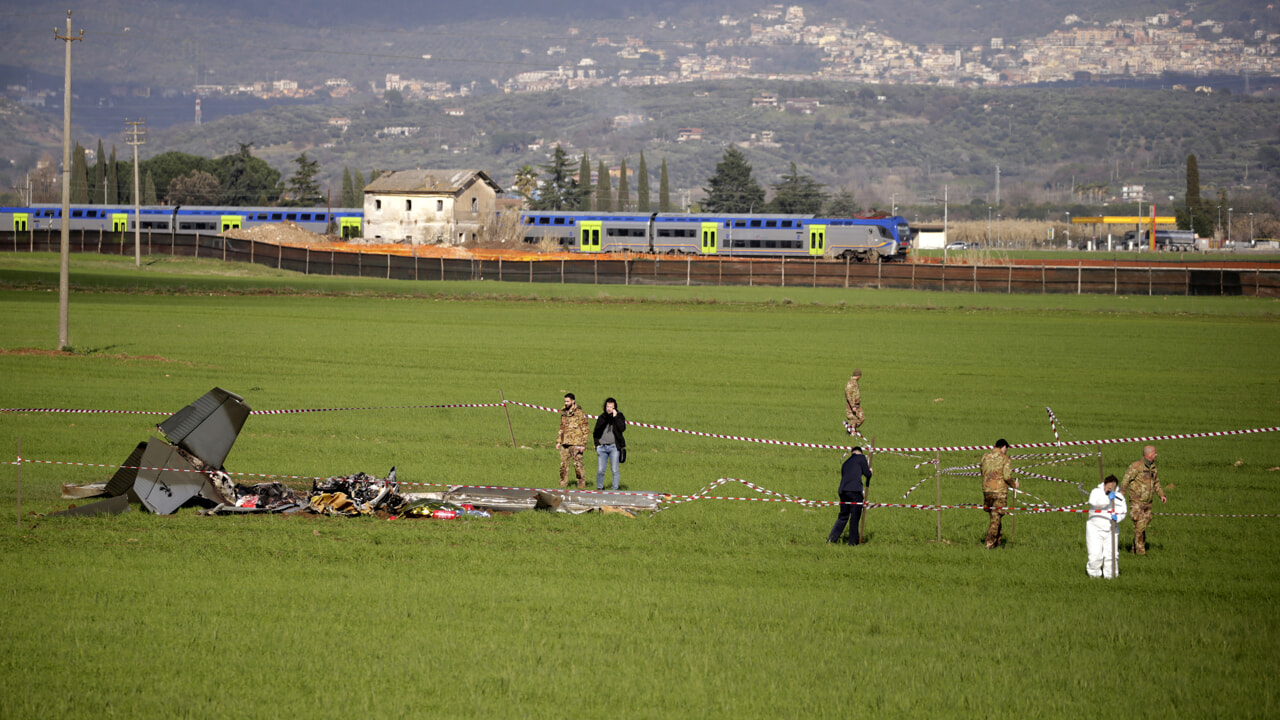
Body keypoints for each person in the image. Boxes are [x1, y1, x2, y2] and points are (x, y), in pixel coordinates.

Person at [1121, 445, 1166, 555]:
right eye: (1155, 453)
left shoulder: (1153, 467)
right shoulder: (1136, 466)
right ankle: (1141, 552)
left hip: (1148, 502)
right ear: (1150, 454)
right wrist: (1121, 495)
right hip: (1137, 501)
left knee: (1142, 526)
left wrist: (1161, 495)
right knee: (1140, 525)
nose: (1157, 455)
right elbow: (1125, 480)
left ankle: (1134, 549)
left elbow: (1156, 482)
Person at [979, 439, 1019, 549]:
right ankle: (989, 544)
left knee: (995, 517)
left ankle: (998, 542)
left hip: (987, 491)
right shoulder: (1005, 459)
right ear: (1004, 447)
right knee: (996, 518)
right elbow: (1006, 476)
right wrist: (1014, 484)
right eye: (1007, 449)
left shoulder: (985, 457)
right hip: (999, 492)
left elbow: (982, 471)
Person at [828, 447, 872, 545]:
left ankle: (831, 539)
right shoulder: (861, 458)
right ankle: (853, 543)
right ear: (860, 453)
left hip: (843, 491)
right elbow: (867, 474)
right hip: (855, 491)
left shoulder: (846, 463)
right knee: (854, 517)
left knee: (843, 516)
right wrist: (870, 472)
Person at [1087, 474, 1128, 578]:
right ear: (1104, 485)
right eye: (1108, 487)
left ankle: (1111, 577)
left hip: (1111, 528)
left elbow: (1123, 511)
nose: (1109, 490)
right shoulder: (1096, 492)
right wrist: (1107, 500)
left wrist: (1117, 518)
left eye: (1112, 488)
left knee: (1112, 555)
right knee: (1095, 555)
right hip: (1094, 528)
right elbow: (1095, 503)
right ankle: (1094, 575)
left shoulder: (1119, 497)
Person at [556, 393, 589, 489]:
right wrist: (558, 441)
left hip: (576, 443)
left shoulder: (580, 413)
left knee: (578, 466)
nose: (566, 403)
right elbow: (561, 427)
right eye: (565, 401)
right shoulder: (564, 413)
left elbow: (585, 430)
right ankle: (562, 485)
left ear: (573, 401)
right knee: (563, 466)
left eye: (568, 401)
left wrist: (583, 444)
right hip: (565, 443)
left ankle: (581, 485)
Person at [592, 397, 626, 491]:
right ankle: (599, 488)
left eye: (611, 407)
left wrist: (615, 418)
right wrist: (597, 444)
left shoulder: (619, 416)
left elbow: (622, 428)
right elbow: (596, 431)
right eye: (607, 406)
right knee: (600, 470)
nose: (609, 408)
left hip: (614, 447)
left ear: (615, 408)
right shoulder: (602, 417)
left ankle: (614, 489)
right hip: (602, 447)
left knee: (615, 470)